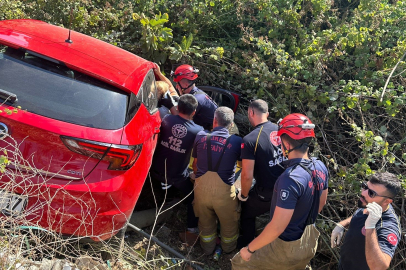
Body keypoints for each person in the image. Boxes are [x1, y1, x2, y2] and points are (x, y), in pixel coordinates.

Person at [231, 113, 329, 270]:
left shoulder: (290, 178)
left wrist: (249, 249)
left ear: (287, 145)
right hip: (309, 239)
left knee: (239, 264)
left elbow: (277, 226)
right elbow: (321, 202)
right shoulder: (320, 166)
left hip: (286, 245)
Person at [149, 94, 203, 233]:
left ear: (178, 107)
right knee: (193, 197)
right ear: (194, 112)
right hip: (176, 176)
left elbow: (174, 118)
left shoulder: (166, 119)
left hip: (153, 170)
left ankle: (166, 194)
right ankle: (191, 228)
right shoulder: (198, 131)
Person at [192, 106, 242, 255]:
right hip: (225, 193)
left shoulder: (201, 136)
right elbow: (242, 166)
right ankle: (227, 250)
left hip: (201, 191)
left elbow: (195, 165)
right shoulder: (237, 141)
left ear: (214, 121)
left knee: (205, 222)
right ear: (231, 125)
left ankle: (207, 249)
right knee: (229, 225)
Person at [237, 99, 285, 248]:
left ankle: (247, 247)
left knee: (246, 213)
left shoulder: (250, 140)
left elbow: (246, 175)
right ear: (268, 114)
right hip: (286, 186)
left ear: (251, 112)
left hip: (267, 192)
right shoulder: (280, 129)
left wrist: (243, 196)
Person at [331, 172, 401, 270]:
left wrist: (370, 227)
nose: (363, 193)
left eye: (371, 193)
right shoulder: (370, 203)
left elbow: (380, 266)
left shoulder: (388, 225)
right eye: (365, 186)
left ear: (387, 201)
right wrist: (342, 224)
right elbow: (360, 213)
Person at [172, 64, 218, 130]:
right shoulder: (196, 93)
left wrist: (170, 105)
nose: (176, 86)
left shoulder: (195, 100)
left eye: (177, 84)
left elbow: (181, 119)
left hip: (221, 131)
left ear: (185, 85)